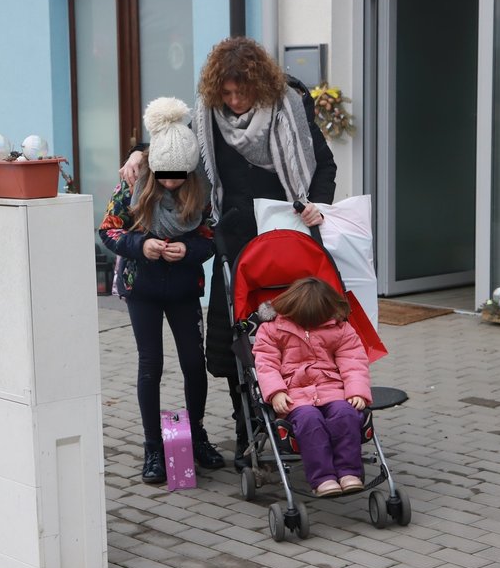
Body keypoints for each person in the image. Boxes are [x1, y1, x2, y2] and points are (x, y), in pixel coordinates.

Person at [120, 36, 337, 470]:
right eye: (227, 93)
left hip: (288, 240)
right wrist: (139, 153)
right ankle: (248, 433)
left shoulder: (290, 109)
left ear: (261, 85)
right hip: (236, 244)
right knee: (239, 340)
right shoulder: (208, 115)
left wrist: (317, 204)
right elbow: (175, 147)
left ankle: (308, 419)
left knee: (295, 337)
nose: (235, 101)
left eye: (243, 92)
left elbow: (323, 165)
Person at [100, 96, 225, 484]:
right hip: (143, 291)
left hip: (186, 290)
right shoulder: (135, 186)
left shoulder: (200, 191)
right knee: (150, 366)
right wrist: (141, 246)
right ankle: (153, 448)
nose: (171, 182)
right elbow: (108, 230)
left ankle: (198, 435)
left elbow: (212, 236)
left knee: (193, 364)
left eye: (179, 176)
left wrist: (191, 250)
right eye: (165, 174)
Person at [252, 277, 371, 497]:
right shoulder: (272, 330)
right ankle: (323, 477)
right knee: (310, 420)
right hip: (294, 395)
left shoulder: (340, 329)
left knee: (346, 414)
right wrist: (276, 391)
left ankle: (348, 472)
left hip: (332, 388)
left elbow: (353, 362)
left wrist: (356, 391)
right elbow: (266, 364)